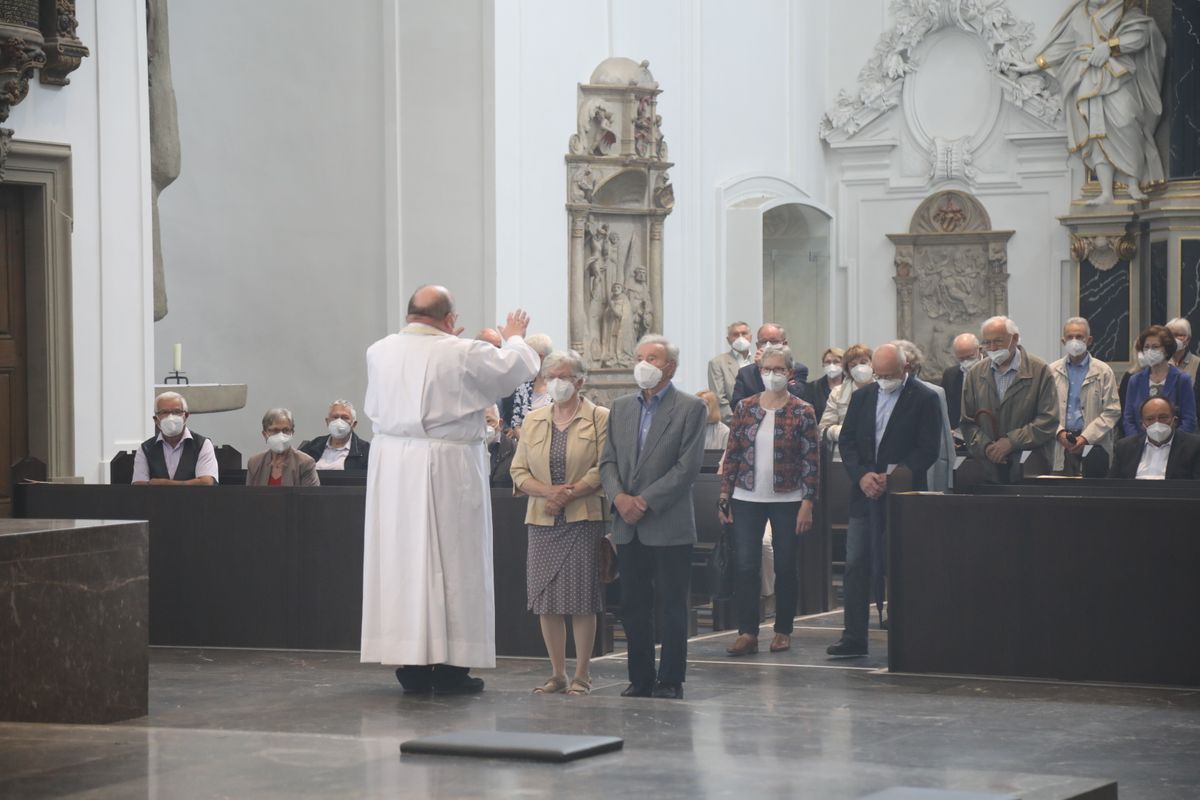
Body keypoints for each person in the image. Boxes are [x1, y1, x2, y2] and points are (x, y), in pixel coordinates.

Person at [360, 286, 538, 695]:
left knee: (404, 562)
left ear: (410, 315)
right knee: (457, 563)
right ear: (447, 318)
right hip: (448, 465)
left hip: (393, 466)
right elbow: (515, 367)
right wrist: (513, 334)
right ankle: (454, 665)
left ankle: (411, 664)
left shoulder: (379, 351)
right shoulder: (460, 351)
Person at [599, 334, 706, 699]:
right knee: (634, 606)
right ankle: (640, 676)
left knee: (672, 606)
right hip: (627, 524)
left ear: (670, 367)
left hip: (668, 522)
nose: (643, 363)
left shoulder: (690, 408)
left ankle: (671, 678)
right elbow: (608, 460)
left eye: (653, 358)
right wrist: (620, 498)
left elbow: (686, 468)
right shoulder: (621, 406)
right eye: (640, 356)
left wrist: (643, 500)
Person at [826, 344, 941, 657]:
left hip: (903, 495)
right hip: (864, 492)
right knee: (856, 563)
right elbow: (848, 440)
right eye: (879, 374)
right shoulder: (863, 396)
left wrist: (893, 478)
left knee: (903, 564)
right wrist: (862, 475)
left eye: (889, 375)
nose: (883, 380)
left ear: (904, 370)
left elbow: (928, 448)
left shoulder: (924, 398)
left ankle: (909, 632)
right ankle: (853, 636)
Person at [509, 350, 610, 697]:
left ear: (580, 381)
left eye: (564, 376)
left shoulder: (599, 418)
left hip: (583, 517)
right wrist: (550, 492)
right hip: (542, 518)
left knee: (582, 599)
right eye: (551, 375)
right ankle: (557, 673)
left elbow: (604, 466)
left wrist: (569, 493)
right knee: (546, 600)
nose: (557, 382)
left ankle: (582, 675)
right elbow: (518, 471)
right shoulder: (535, 420)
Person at [717, 344, 819, 657]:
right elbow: (732, 453)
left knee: (786, 565)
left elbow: (810, 459)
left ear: (789, 373)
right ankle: (747, 632)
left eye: (778, 369)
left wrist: (808, 501)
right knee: (746, 565)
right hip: (746, 495)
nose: (771, 375)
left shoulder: (803, 410)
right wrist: (724, 495)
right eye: (766, 369)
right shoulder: (745, 407)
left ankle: (783, 629)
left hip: (788, 497)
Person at [1011, 0, 1165, 205]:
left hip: (1118, 76)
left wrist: (1109, 47)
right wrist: (1033, 65)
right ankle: (1106, 192)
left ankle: (1133, 183)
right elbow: (1062, 46)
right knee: (1096, 133)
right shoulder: (1079, 13)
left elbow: (1141, 35)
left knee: (1128, 121)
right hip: (1087, 78)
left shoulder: (1124, 10)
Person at [959, 316, 1058, 483]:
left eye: (998, 341)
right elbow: (967, 422)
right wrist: (988, 447)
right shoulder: (975, 374)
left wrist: (1011, 442)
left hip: (1028, 467)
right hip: (987, 468)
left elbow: (1048, 419)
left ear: (1015, 338)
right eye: (987, 343)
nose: (992, 347)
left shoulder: (1040, 371)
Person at [1048, 318, 1121, 477]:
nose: (1074, 341)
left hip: (1094, 445)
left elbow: (1112, 411)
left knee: (1092, 495)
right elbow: (1045, 410)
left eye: (1079, 337)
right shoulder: (1051, 371)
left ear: (1089, 340)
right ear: (1063, 340)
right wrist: (1059, 433)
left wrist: (1086, 438)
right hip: (1060, 444)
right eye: (1070, 337)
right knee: (1059, 496)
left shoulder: (1103, 371)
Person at [893, 340, 955, 492]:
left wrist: (950, 478)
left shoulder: (933, 393)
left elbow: (944, 439)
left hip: (926, 466)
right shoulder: (878, 392)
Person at [1122, 325, 1198, 437]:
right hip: (1141, 445)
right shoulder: (1135, 380)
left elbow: (1189, 419)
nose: (1149, 351)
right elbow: (1128, 419)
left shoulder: (1182, 379)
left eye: (1155, 347)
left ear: (1166, 350)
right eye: (1146, 347)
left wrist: (1173, 444)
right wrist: (1139, 443)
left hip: (1175, 446)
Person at [132, 391, 219, 485]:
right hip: (156, 500)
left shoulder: (203, 444)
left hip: (194, 499)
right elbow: (139, 485)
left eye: (177, 412)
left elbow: (206, 483)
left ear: (186, 416)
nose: (171, 417)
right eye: (164, 412)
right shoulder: (145, 448)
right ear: (156, 419)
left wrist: (163, 483)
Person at [1108, 397, 1200, 480]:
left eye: (1163, 417)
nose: (1157, 423)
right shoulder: (1124, 447)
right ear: (1142, 424)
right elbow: (1111, 486)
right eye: (1150, 419)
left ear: (1174, 420)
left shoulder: (1194, 447)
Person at [729, 324, 811, 411]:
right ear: (757, 345)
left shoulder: (797, 369)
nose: (768, 346)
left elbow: (798, 398)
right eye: (764, 342)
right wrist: (763, 367)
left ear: (785, 344)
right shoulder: (745, 373)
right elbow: (736, 405)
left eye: (773, 342)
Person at [819, 344, 874, 449]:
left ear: (872, 364)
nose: (859, 368)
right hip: (843, 456)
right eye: (853, 365)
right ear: (848, 369)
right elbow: (823, 429)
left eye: (863, 362)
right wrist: (847, 432)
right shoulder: (838, 393)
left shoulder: (883, 390)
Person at [247, 408, 320, 486]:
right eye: (275, 430)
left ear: (292, 433)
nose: (280, 435)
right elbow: (248, 495)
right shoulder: (254, 462)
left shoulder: (305, 463)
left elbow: (310, 497)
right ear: (265, 434)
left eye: (286, 430)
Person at [298, 400, 370, 471]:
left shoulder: (365, 451)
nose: (339, 422)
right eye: (335, 417)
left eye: (345, 417)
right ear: (327, 421)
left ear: (354, 424)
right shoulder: (313, 446)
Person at [507, 333, 554, 435]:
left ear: (540, 357)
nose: (524, 360)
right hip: (526, 445)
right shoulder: (523, 385)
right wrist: (528, 442)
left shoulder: (558, 385)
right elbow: (516, 422)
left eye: (527, 356)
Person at [707, 321, 754, 423]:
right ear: (728, 340)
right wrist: (736, 421)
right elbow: (719, 398)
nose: (740, 338)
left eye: (744, 333)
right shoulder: (717, 363)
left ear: (751, 337)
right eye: (736, 335)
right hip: (734, 423)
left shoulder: (760, 360)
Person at [941, 332, 980, 430]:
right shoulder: (950, 375)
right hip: (957, 433)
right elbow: (945, 407)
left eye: (970, 357)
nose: (966, 362)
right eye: (961, 358)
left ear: (979, 350)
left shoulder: (992, 370)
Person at [809, 347, 845, 422]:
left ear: (843, 364)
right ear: (823, 364)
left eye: (836, 362)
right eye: (828, 362)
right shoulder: (813, 388)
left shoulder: (850, 386)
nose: (832, 365)